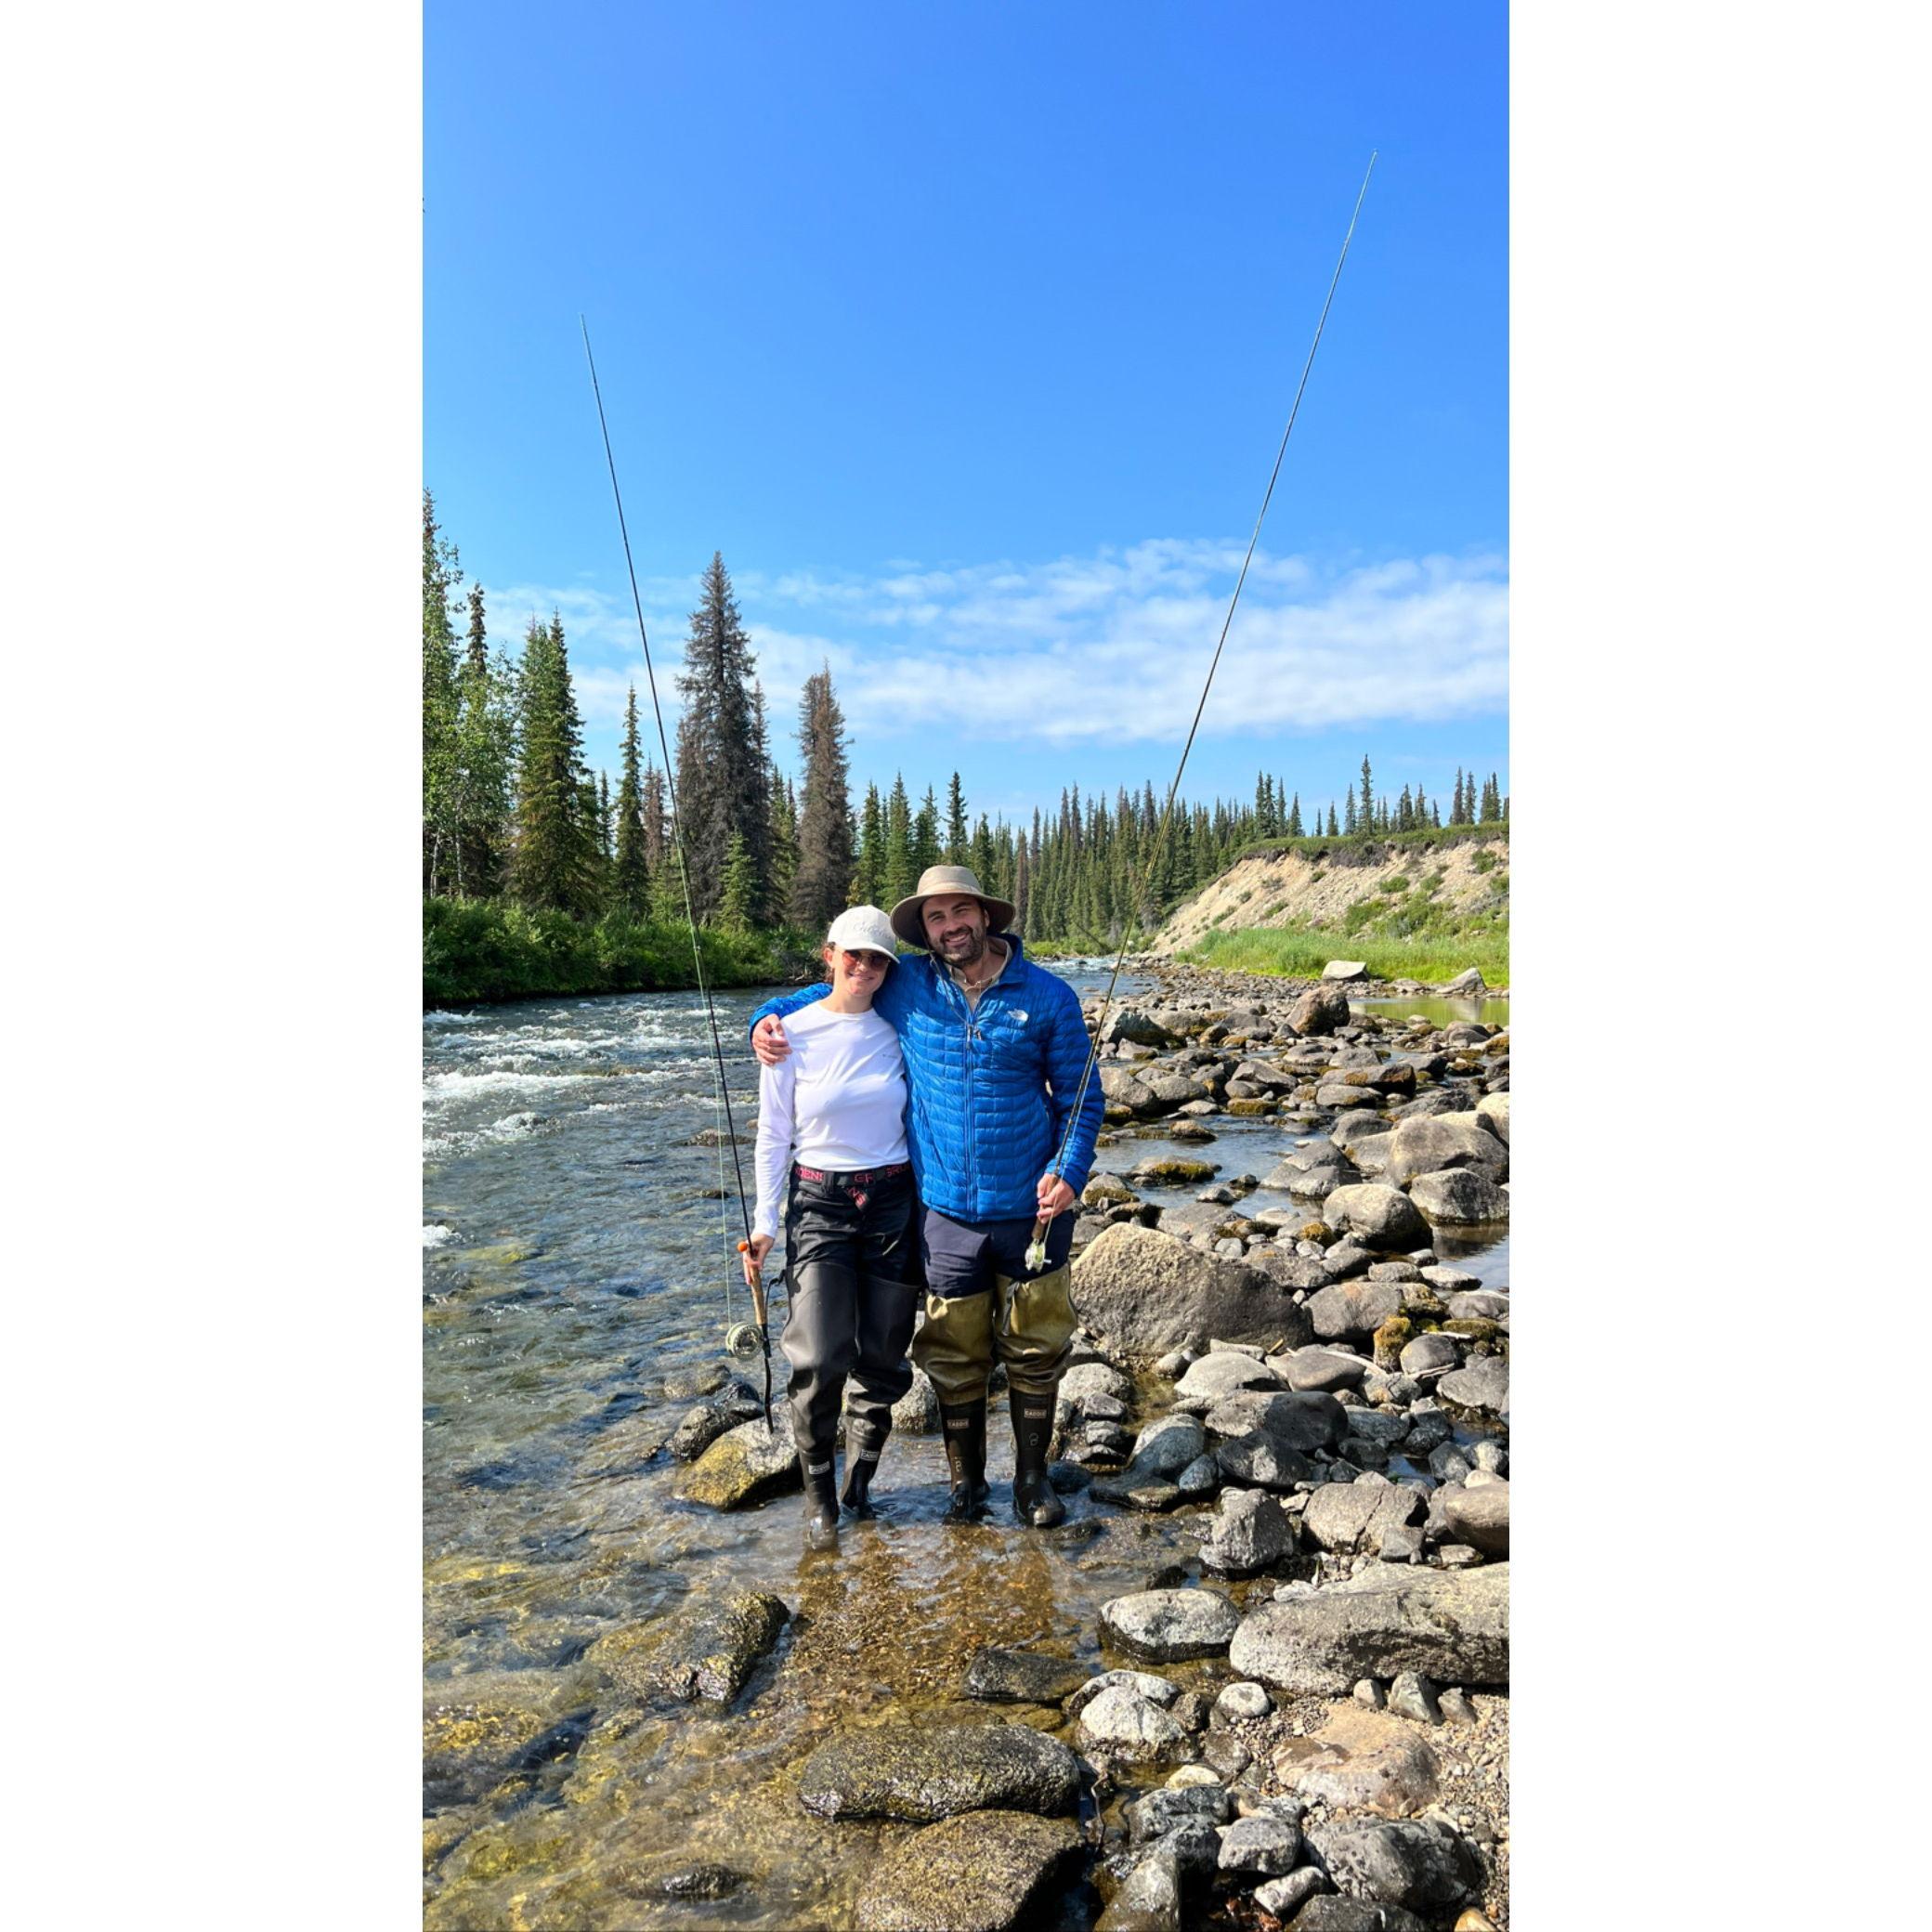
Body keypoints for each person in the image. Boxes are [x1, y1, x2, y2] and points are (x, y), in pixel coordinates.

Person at [751, 864, 1103, 1529]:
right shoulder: (905, 982)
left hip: (1034, 1210)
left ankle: (1030, 1483)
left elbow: (1084, 1102)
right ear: (924, 930)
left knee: (1035, 1348)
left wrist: (1070, 1169)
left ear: (987, 915)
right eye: (935, 918)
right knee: (953, 1353)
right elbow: (830, 994)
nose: (950, 927)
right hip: (941, 1211)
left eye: (960, 912)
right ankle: (965, 1486)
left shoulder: (1050, 997)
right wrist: (764, 1019)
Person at [744, 905, 919, 1553]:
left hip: (895, 1203)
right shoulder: (787, 1033)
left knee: (882, 1359)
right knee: (818, 1357)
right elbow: (773, 1136)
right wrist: (766, 1223)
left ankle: (861, 1484)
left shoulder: (902, 1026)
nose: (866, 968)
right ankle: (820, 1499)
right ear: (829, 954)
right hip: (820, 1204)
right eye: (856, 955)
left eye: (879, 959)